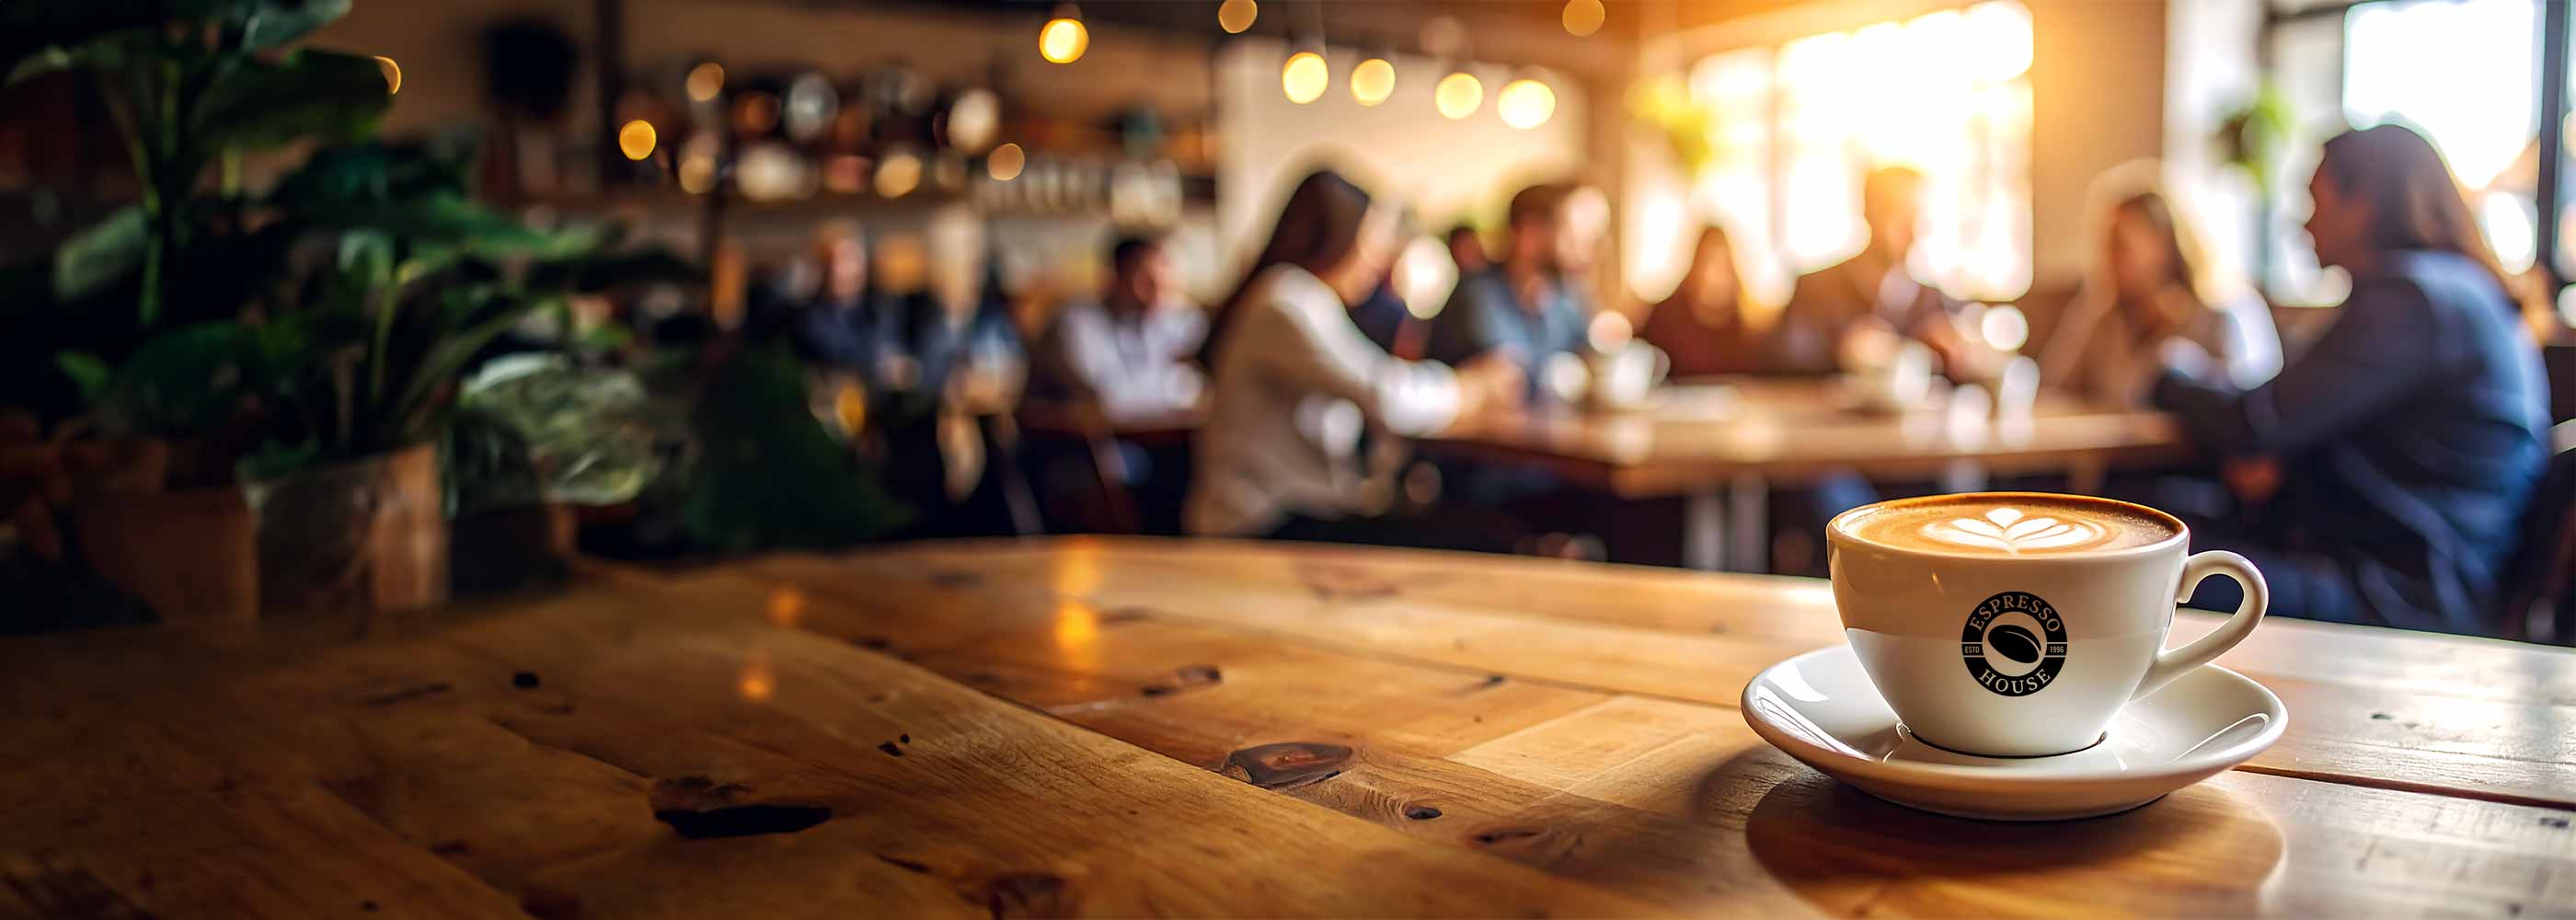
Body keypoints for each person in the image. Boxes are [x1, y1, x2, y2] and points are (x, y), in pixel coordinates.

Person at [2153, 123, 2549, 634]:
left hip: (2400, 597)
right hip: (2399, 570)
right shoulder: (2453, 291)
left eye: (2314, 201)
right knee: (2157, 524)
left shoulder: (2414, 301)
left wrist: (2170, 376)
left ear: (2362, 204)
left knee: (2142, 562)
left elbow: (2256, 422)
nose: (2303, 225)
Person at [1186, 169, 1524, 544]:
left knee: (1469, 526)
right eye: (1370, 241)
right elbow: (1387, 397)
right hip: (1260, 522)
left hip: (1297, 512)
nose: (1378, 259)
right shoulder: (1285, 300)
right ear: (1336, 237)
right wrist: (1469, 388)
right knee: (1474, 536)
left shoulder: (1306, 298)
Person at [2042, 175, 2281, 407]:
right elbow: (2053, 390)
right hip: (2118, 447)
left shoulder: (2226, 311)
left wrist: (2187, 367)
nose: (2108, 258)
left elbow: (2253, 408)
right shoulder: (2101, 316)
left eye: (2120, 244)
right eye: (2105, 245)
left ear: (2163, 244)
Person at [1769, 166, 1981, 376]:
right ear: (1868, 211)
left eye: (1919, 216)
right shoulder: (1814, 288)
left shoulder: (1936, 303)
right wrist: (1844, 352)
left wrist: (1951, 359)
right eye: (1901, 215)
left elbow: (1969, 375)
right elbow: (1782, 367)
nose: (1913, 229)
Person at [1427, 183, 1593, 390]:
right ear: (1529, 234)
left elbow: (1589, 357)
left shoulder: (1565, 297)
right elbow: (1508, 378)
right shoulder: (1478, 295)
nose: (1584, 247)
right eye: (1569, 232)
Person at [1033, 234, 1207, 423]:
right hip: (1076, 443)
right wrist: (1175, 386)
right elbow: (1106, 399)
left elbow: (1201, 389)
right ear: (1114, 278)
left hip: (1149, 436)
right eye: (1146, 280)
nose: (1157, 292)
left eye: (1164, 281)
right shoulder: (1074, 325)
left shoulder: (1168, 320)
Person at [788, 223, 909, 389]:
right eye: (832, 261)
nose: (839, 270)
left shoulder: (881, 307)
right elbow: (832, 358)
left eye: (847, 260)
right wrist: (877, 365)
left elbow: (893, 350)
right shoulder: (806, 317)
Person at [1639, 224, 1767, 376]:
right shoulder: (1665, 317)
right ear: (1696, 265)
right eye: (1711, 262)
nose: (1718, 274)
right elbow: (1641, 358)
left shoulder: (1747, 324)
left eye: (1724, 264)